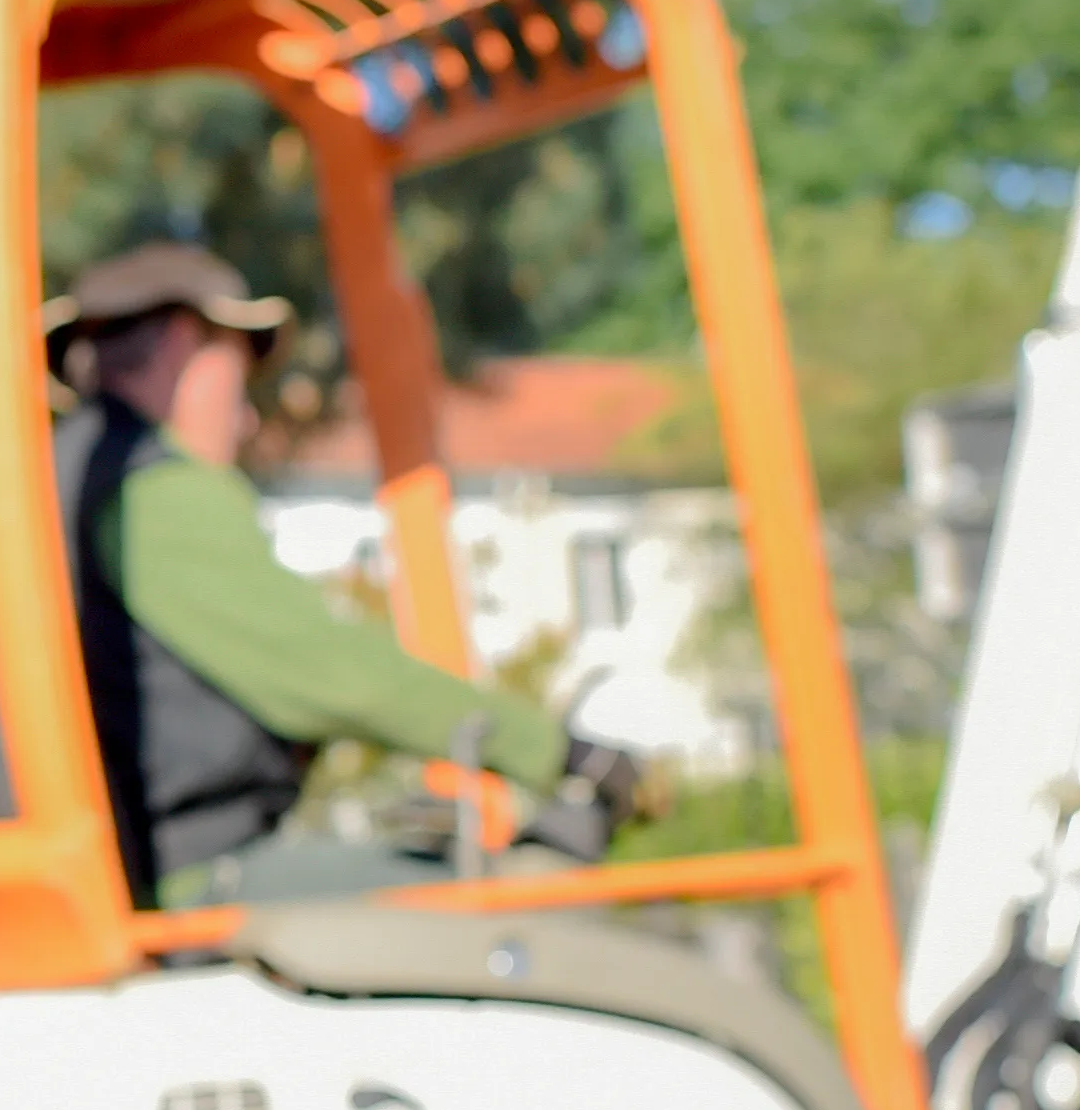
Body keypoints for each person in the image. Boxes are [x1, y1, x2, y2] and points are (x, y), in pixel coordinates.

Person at [49, 239, 641, 905]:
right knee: (526, 903)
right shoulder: (151, 494)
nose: (244, 423)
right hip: (195, 880)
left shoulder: (69, 482)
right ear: (189, 346)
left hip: (152, 866)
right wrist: (557, 752)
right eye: (240, 379)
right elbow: (334, 677)